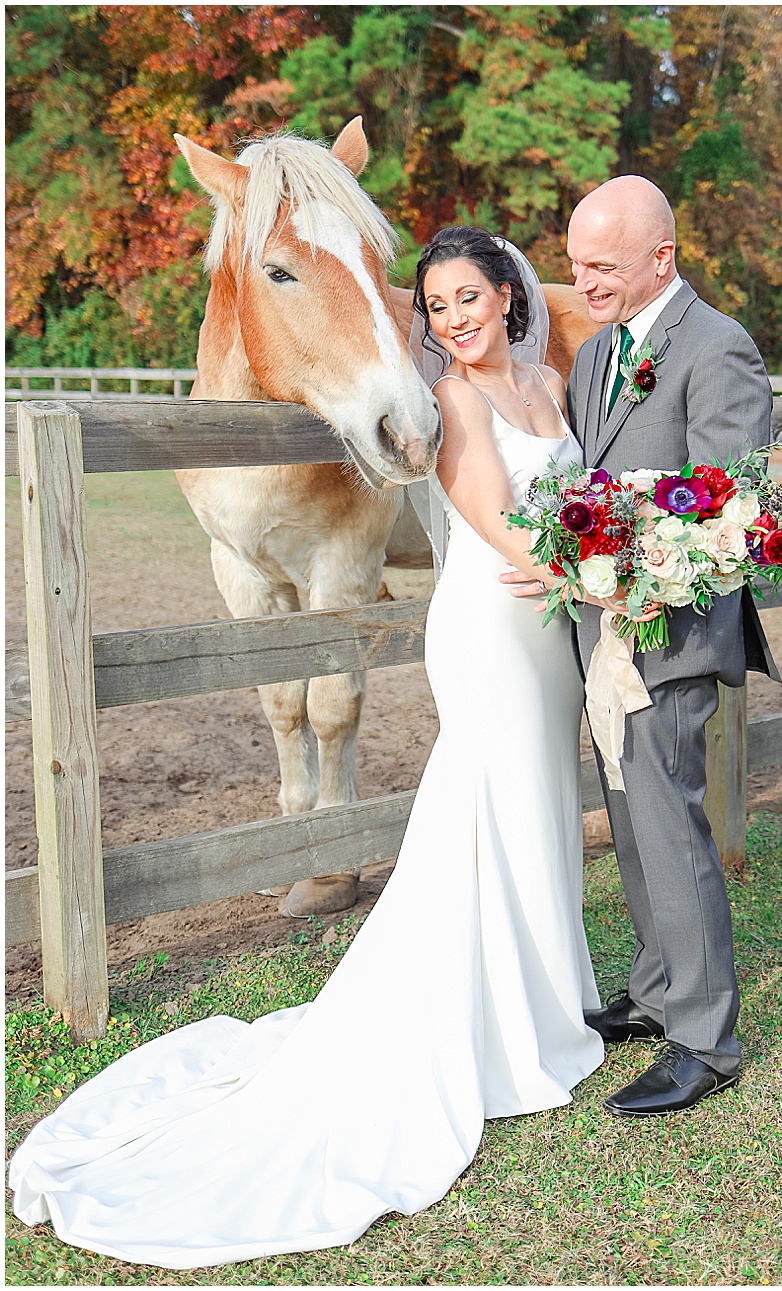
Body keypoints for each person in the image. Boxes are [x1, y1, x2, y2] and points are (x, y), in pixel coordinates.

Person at [9, 228, 611, 1270]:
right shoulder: (459, 404)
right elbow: (500, 527)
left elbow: (578, 499)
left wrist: (605, 547)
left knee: (538, 811)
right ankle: (495, 1034)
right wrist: (598, 571)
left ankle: (545, 1012)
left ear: (512, 296)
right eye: (438, 305)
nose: (456, 317)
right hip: (496, 628)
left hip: (549, 633)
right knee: (484, 812)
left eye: (471, 296)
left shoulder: (548, 394)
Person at [503, 176, 779, 1118]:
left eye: (601, 267)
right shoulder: (597, 357)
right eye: (575, 265)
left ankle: (706, 1039)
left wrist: (618, 560)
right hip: (600, 630)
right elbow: (588, 482)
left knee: (670, 821)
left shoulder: (718, 347)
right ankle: (660, 989)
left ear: (661, 257)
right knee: (629, 819)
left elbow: (725, 509)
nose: (581, 285)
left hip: (671, 633)